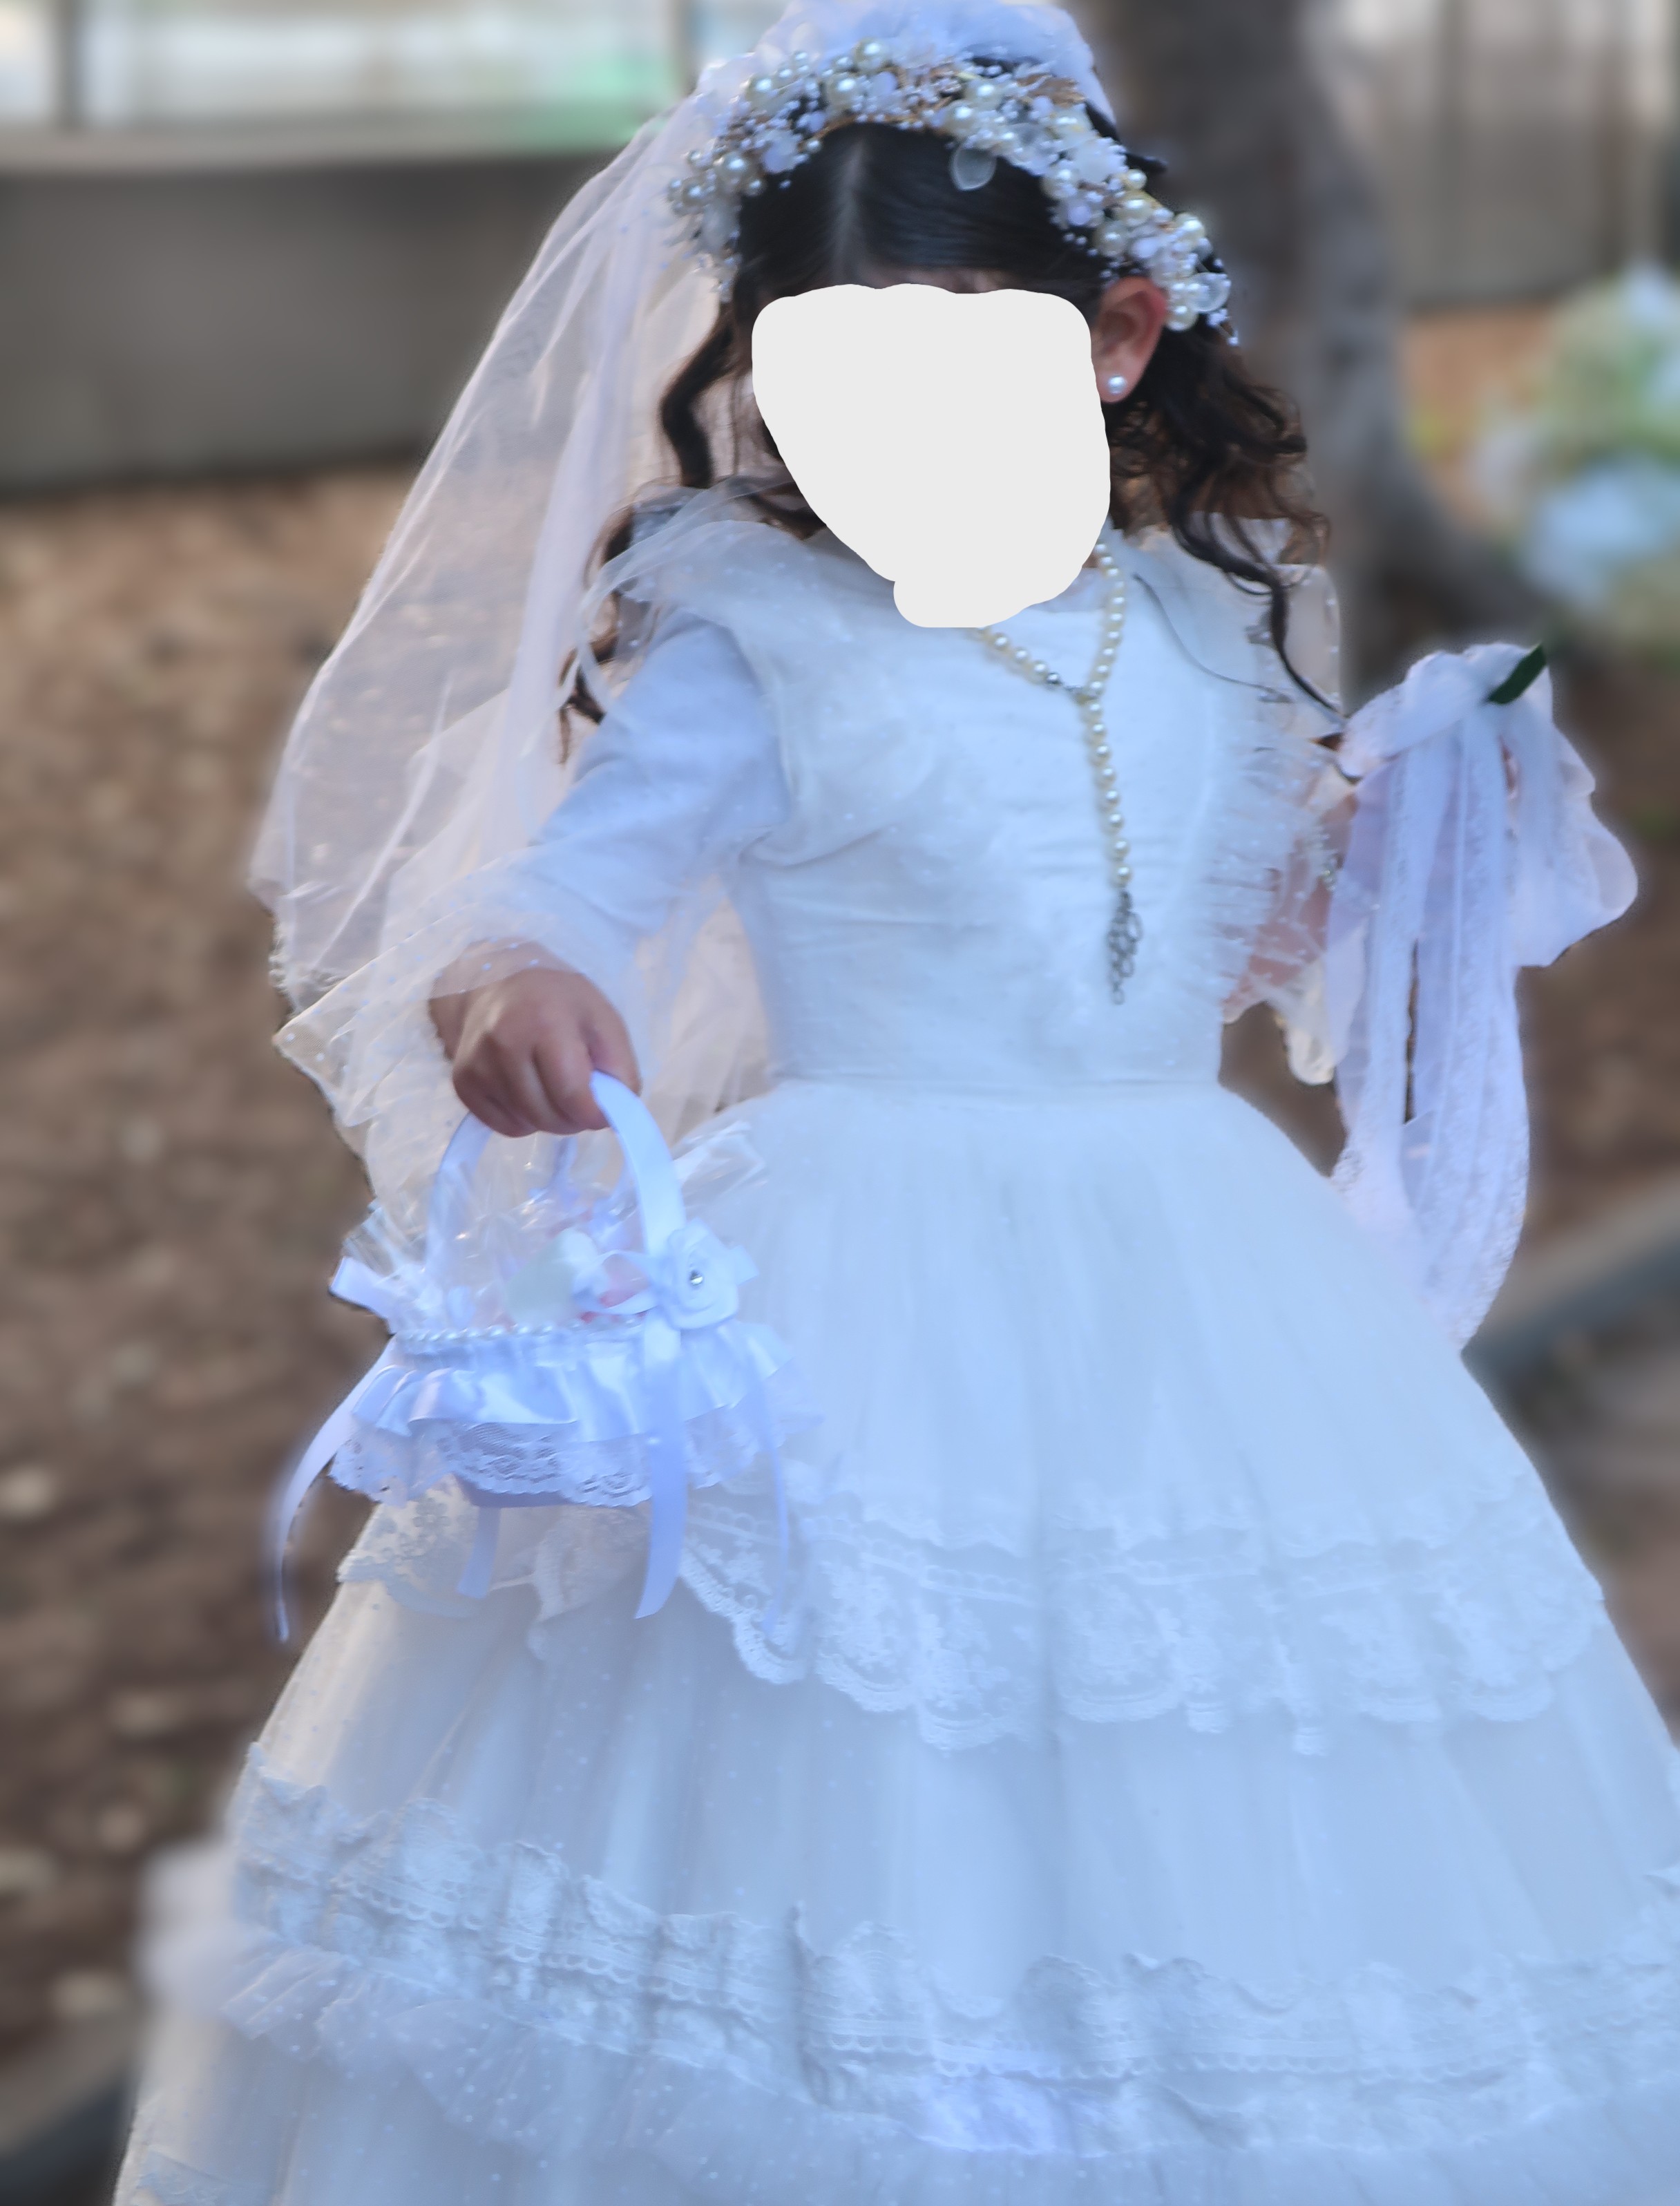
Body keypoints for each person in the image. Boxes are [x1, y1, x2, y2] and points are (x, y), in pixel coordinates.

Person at [115, 3, 1680, 2201]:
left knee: (1214, 1755)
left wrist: (1403, 835)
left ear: (1114, 339)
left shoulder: (1214, 633)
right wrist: (521, 975)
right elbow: (554, 890)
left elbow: (1210, 934)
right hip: (850, 1290)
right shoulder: (757, 634)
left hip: (1197, 1282)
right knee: (854, 1768)